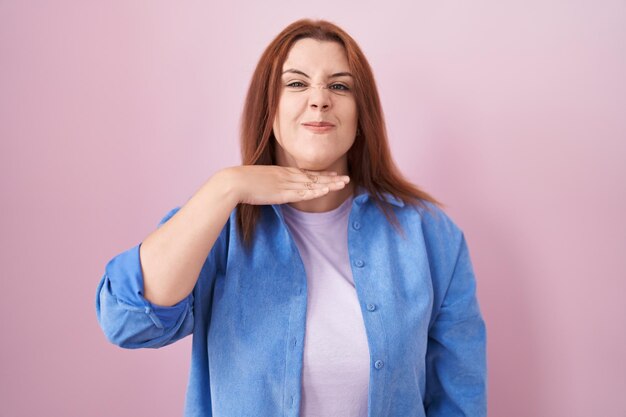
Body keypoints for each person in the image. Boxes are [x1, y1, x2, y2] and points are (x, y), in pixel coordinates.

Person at [96, 18, 487, 417]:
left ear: (361, 114)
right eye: (296, 83)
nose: (319, 99)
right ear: (269, 107)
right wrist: (226, 187)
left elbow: (459, 400)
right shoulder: (218, 225)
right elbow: (127, 321)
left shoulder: (432, 237)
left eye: (340, 85)